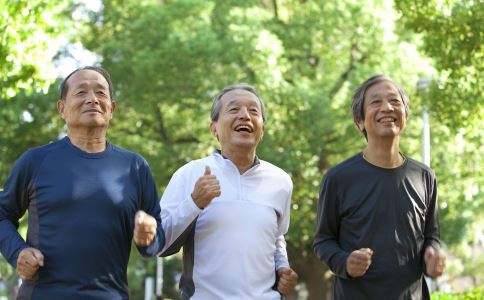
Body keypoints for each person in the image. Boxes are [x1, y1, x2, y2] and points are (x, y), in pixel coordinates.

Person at [0, 66, 165, 299]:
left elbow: (157, 242)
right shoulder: (35, 161)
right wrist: (17, 252)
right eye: (81, 93)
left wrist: (148, 236)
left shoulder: (135, 167)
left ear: (112, 109)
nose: (92, 99)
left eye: (100, 93)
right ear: (62, 108)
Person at [158, 83, 297, 299]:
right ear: (214, 128)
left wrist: (282, 267)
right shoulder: (189, 174)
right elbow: (159, 243)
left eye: (253, 111)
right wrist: (194, 202)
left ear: (262, 128)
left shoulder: (280, 181)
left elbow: (277, 236)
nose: (245, 116)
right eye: (234, 109)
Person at [313, 75, 446, 299]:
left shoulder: (424, 176)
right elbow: (323, 241)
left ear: (405, 115)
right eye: (375, 102)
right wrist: (344, 262)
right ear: (360, 121)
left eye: (395, 101)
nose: (387, 107)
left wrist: (433, 256)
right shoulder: (338, 178)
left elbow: (432, 235)